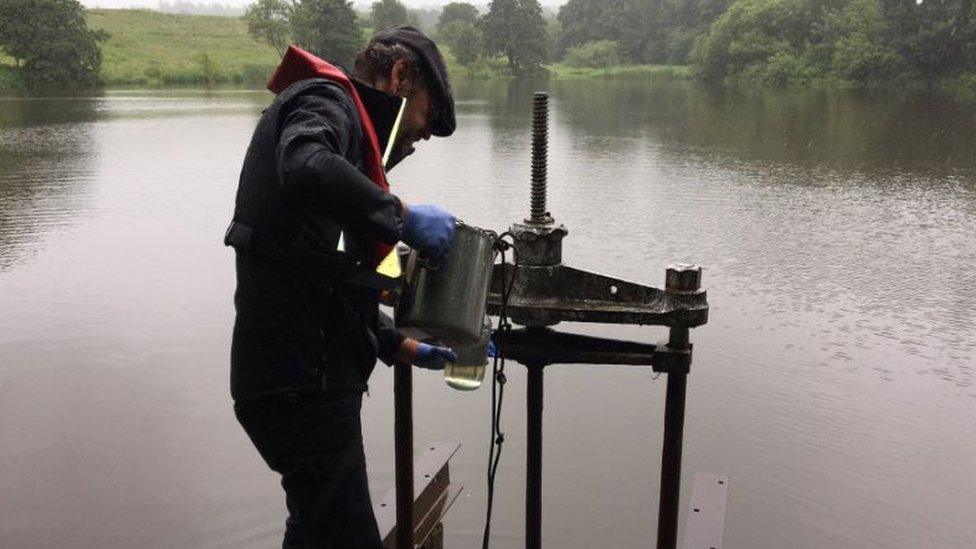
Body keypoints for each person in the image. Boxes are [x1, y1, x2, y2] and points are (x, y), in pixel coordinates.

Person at [225, 26, 459, 549]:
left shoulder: (349, 141)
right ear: (400, 77)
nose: (414, 143)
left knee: (314, 529)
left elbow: (321, 271)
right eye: (420, 125)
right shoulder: (324, 100)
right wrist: (400, 214)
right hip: (300, 385)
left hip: (298, 378)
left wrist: (394, 342)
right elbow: (304, 163)